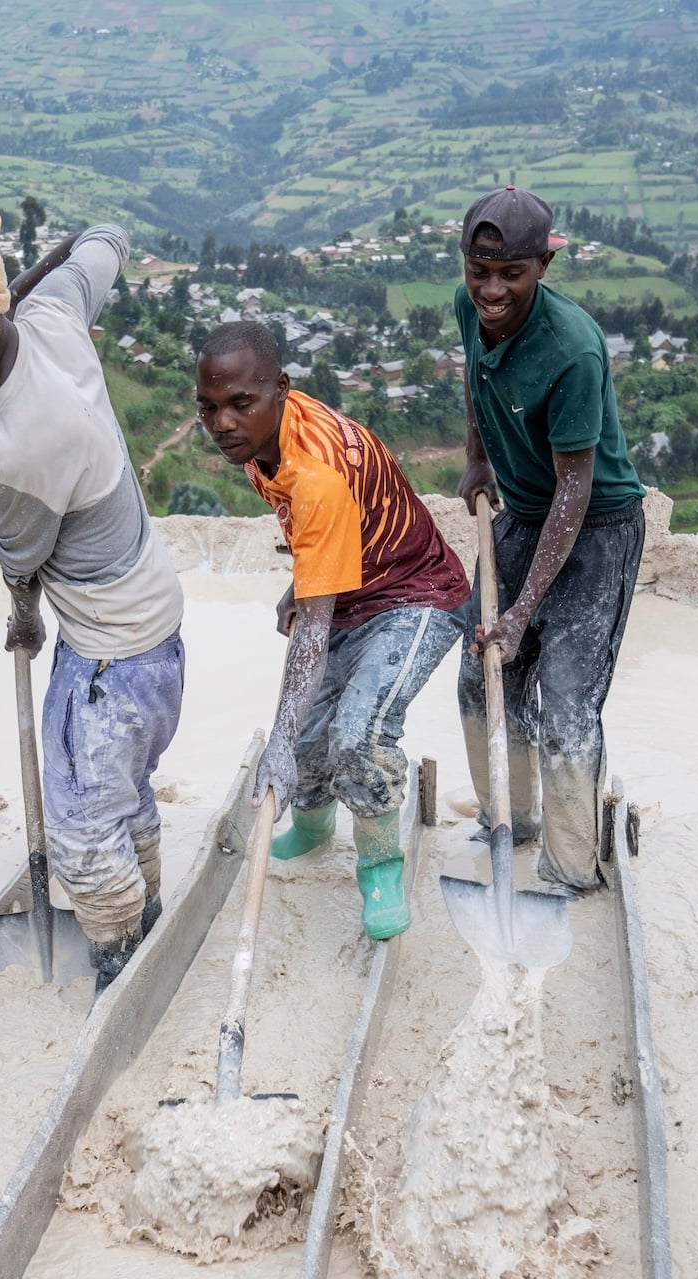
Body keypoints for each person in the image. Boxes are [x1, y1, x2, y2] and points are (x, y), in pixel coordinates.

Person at [0, 192, 185, 986]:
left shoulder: (21, 441)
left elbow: (22, 563)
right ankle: (146, 906)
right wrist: (37, 277)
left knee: (81, 830)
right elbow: (106, 239)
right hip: (156, 625)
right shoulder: (49, 311)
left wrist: (23, 621)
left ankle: (120, 961)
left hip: (107, 657)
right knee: (118, 791)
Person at [194, 322, 469, 939]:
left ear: (280, 390)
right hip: (352, 586)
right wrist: (303, 581)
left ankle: (379, 867)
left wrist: (277, 745)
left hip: (414, 593)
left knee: (356, 733)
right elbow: (317, 532)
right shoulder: (262, 439)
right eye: (208, 409)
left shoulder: (314, 472)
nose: (223, 424)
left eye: (240, 404)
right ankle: (315, 830)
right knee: (311, 729)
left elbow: (312, 634)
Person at [452, 186, 648, 896]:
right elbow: (474, 376)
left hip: (595, 528)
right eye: (481, 270)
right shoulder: (468, 306)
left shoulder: (573, 349)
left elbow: (576, 489)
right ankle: (512, 815)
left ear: (544, 265)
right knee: (482, 676)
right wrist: (477, 456)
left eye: (513, 273)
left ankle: (568, 866)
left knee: (566, 704)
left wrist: (524, 605)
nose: (493, 289)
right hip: (523, 515)